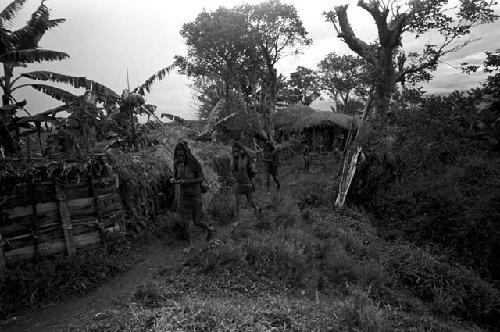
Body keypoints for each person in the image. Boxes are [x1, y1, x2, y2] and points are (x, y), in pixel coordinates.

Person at [172, 141, 215, 253]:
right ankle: (190, 245)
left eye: (182, 155)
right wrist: (174, 180)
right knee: (185, 223)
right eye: (178, 155)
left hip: (195, 197)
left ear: (186, 153)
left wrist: (187, 181)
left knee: (196, 221)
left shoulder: (193, 164)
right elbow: (175, 177)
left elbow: (201, 178)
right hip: (183, 197)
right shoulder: (176, 164)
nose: (180, 158)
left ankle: (209, 231)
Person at [231, 141, 261, 225]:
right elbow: (232, 169)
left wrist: (241, 156)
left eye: (237, 151)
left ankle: (257, 208)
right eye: (234, 151)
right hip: (238, 183)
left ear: (241, 150)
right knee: (236, 201)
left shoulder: (245, 158)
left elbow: (243, 168)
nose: (235, 153)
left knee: (250, 201)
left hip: (246, 183)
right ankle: (237, 220)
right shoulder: (233, 158)